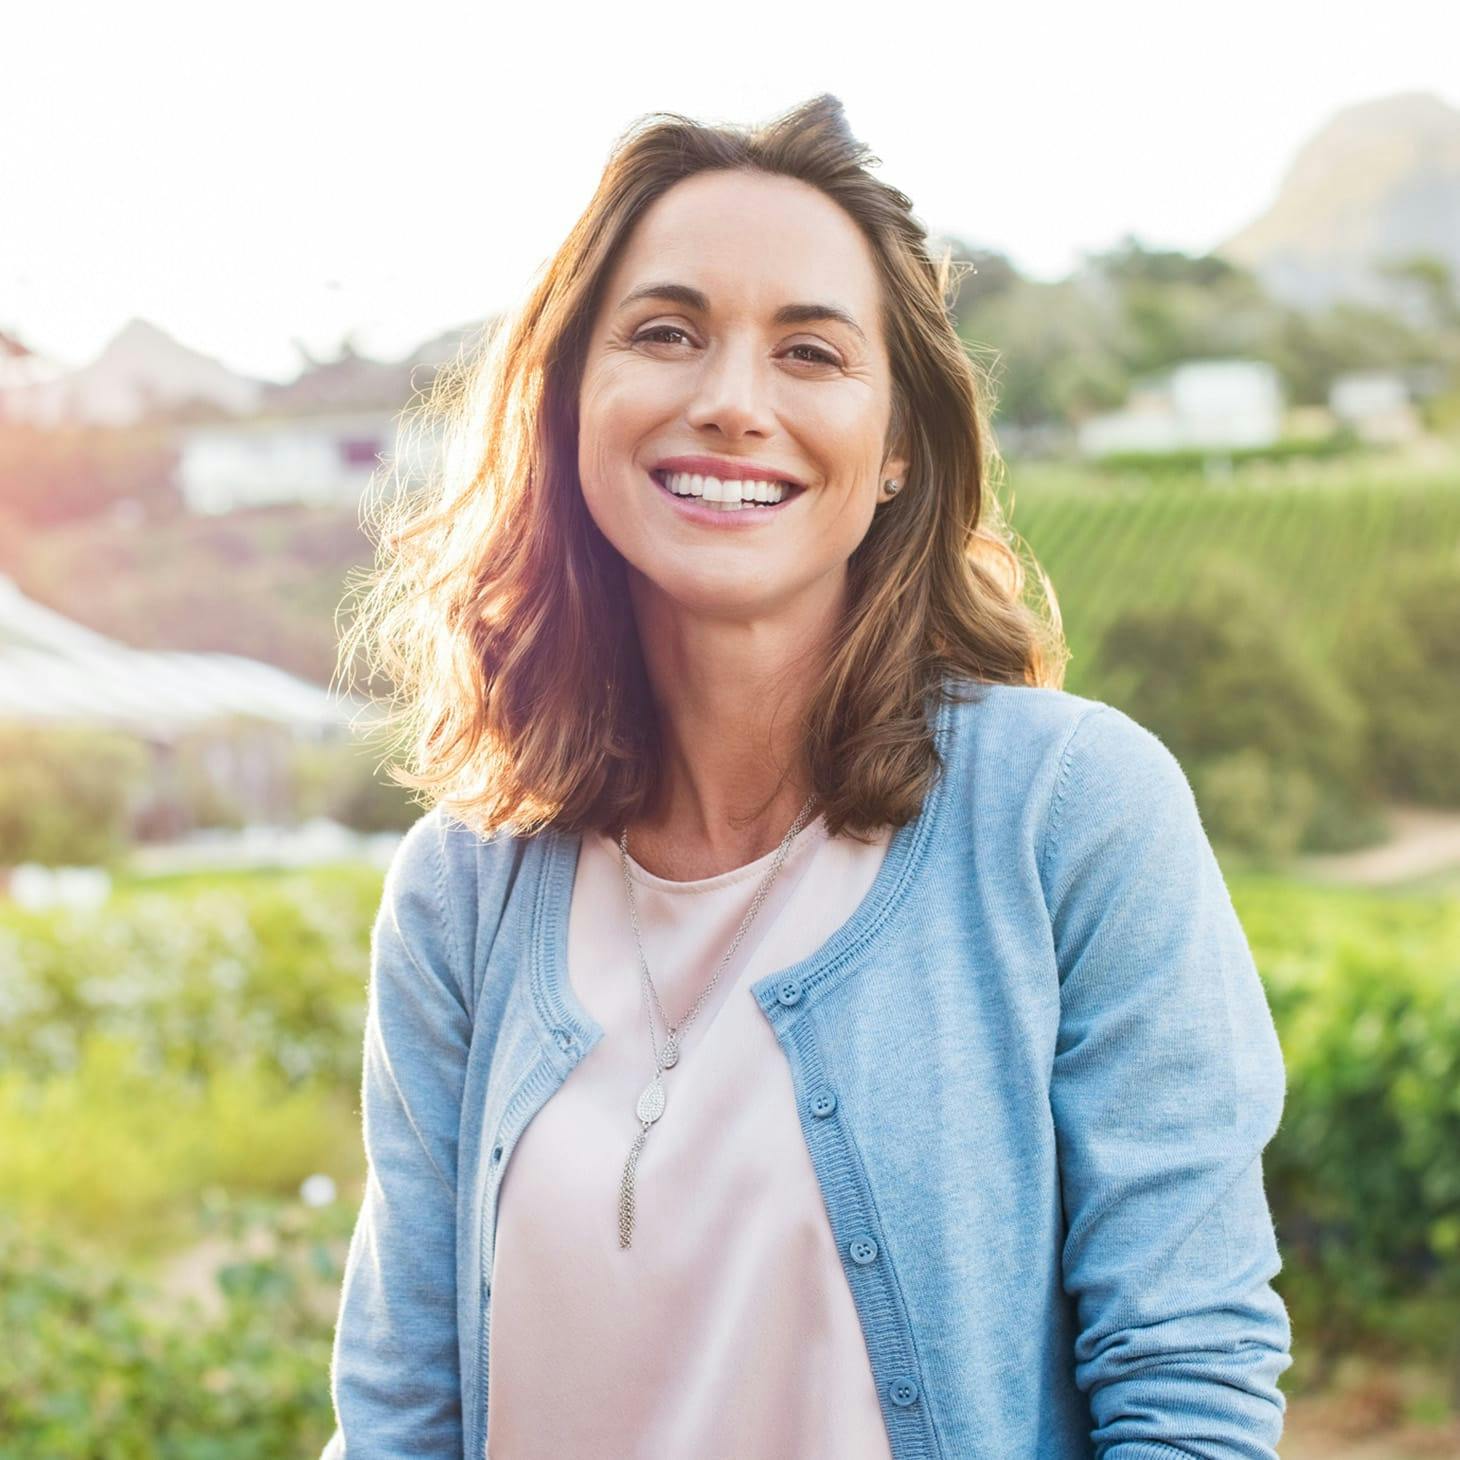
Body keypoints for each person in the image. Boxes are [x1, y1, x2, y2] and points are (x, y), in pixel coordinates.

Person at [322, 93, 1292, 1459]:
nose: (731, 403)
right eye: (665, 333)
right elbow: (397, 1420)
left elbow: (1187, 1375)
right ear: (569, 403)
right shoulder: (463, 892)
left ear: (899, 445)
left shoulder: (1069, 814)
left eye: (812, 352)